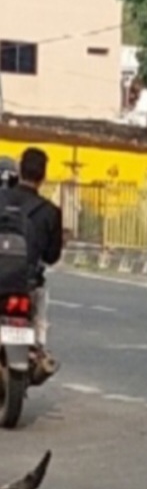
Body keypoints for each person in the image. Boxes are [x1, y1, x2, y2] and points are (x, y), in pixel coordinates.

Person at [0, 149, 64, 368]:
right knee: (40, 299)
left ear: (19, 170)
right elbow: (52, 256)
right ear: (43, 176)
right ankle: (38, 348)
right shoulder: (51, 212)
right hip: (27, 284)